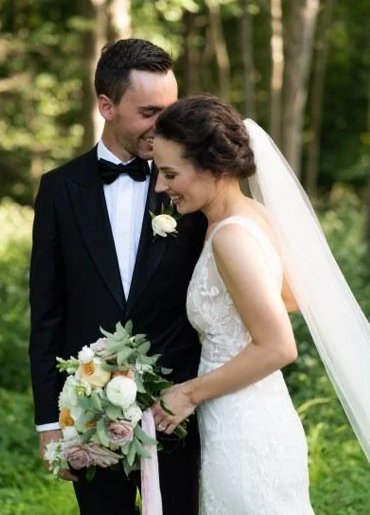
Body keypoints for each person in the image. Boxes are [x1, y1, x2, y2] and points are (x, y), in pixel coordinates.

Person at [151, 95, 370, 514]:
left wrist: (189, 394)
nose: (161, 187)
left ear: (211, 167)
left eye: (169, 173)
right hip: (250, 414)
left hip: (245, 432)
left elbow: (278, 346)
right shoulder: (252, 217)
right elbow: (288, 299)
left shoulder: (232, 236)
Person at [29, 39, 207, 515]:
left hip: (177, 412)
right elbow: (47, 312)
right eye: (149, 112)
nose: (164, 125)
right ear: (106, 107)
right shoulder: (58, 189)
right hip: (89, 414)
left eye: (171, 110)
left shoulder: (190, 184)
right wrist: (50, 422)